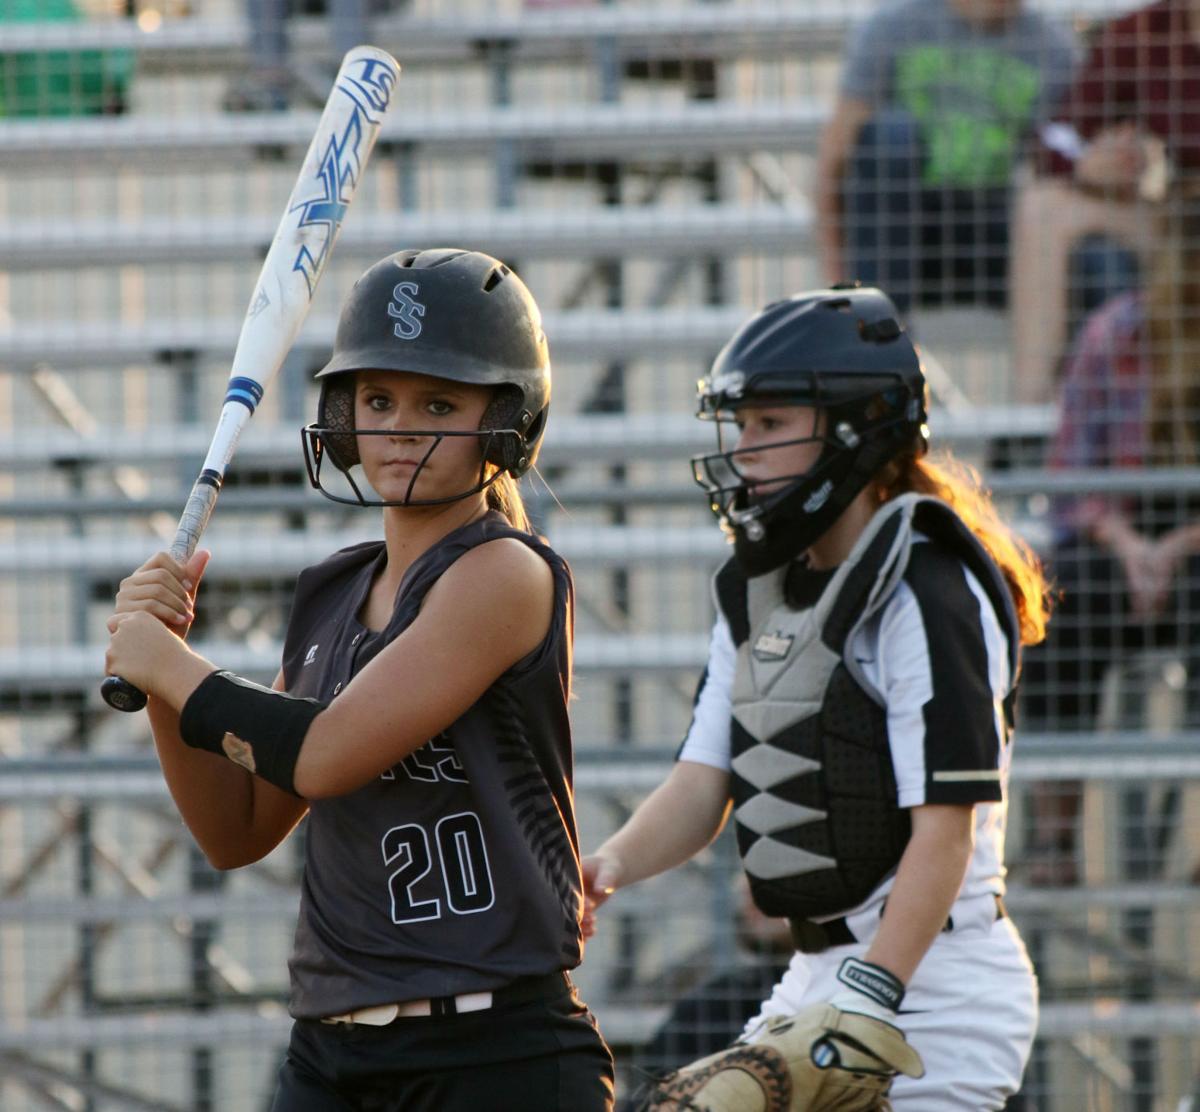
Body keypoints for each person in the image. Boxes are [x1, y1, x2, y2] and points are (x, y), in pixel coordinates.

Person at [103, 248, 614, 1112]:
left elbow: (323, 757)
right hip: (331, 1053)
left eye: (440, 403)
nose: (401, 428)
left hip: (495, 1057)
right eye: (378, 400)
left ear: (507, 421)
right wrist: (163, 683)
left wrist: (177, 668)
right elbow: (238, 829)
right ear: (343, 415)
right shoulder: (333, 593)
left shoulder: (504, 574)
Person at [582, 285, 1051, 1110]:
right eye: (741, 426)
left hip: (937, 984)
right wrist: (608, 867)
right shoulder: (764, 587)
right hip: (817, 974)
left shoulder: (928, 586)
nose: (745, 451)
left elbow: (945, 833)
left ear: (852, 425)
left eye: (770, 425)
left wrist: (868, 1002)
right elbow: (701, 785)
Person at [1019, 196, 1200, 886]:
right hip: (1121, 540)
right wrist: (1130, 545)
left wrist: (1178, 546)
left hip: (1189, 551)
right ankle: (1056, 841)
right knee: (1058, 603)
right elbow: (1069, 473)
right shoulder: (1116, 333)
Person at [813, 0, 1075, 316]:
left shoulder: (1053, 47)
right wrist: (837, 275)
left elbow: (1061, 163)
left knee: (1076, 243)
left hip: (994, 227)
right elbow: (834, 158)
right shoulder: (895, 25)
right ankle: (876, 329)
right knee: (890, 134)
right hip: (905, 227)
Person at [1011, 0, 1200, 402]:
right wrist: (1091, 164)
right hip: (1182, 226)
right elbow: (1058, 136)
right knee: (1042, 207)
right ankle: (1027, 419)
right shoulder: (1147, 31)